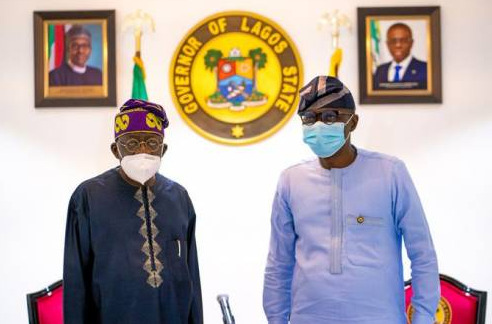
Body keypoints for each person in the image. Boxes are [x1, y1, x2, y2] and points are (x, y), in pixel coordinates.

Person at [263, 76, 439, 324]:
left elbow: (423, 255)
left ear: (352, 122)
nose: (319, 125)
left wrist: (423, 318)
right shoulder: (291, 180)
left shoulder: (389, 173)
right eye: (310, 118)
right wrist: (276, 319)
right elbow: (278, 263)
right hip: (309, 318)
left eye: (330, 117)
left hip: (379, 317)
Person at [63, 99, 203, 324]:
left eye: (151, 142)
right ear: (115, 149)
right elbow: (75, 279)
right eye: (132, 144)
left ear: (163, 149)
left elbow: (192, 275)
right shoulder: (88, 197)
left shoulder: (179, 197)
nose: (143, 151)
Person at [373, 23, 427, 90]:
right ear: (387, 44)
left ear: (411, 43)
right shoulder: (380, 70)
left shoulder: (425, 69)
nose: (398, 45)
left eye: (403, 41)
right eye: (393, 41)